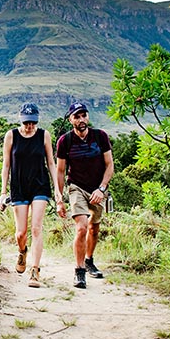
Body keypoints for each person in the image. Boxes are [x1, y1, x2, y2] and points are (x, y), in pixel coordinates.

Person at [0, 102, 65, 288]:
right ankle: (22, 251)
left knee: (36, 228)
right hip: (19, 186)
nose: (30, 126)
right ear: (21, 120)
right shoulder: (11, 136)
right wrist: (3, 192)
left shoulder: (44, 135)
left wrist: (58, 190)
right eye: (27, 122)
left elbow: (51, 163)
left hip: (39, 185)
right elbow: (6, 165)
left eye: (33, 122)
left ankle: (35, 271)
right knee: (21, 233)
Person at [55, 102, 114, 289]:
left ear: (87, 117)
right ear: (71, 119)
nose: (81, 120)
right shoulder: (65, 141)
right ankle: (79, 272)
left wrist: (102, 188)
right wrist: (59, 199)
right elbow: (60, 171)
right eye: (77, 116)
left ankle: (89, 261)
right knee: (81, 227)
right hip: (76, 187)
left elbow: (109, 165)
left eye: (84, 115)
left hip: (97, 188)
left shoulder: (100, 136)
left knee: (94, 228)